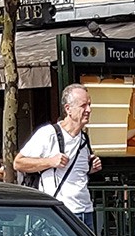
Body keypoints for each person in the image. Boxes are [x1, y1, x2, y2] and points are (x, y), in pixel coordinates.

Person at [12, 82, 102, 218]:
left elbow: (77, 172)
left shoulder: (84, 138)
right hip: (60, 212)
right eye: (83, 105)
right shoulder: (49, 133)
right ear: (68, 109)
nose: (89, 110)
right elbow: (18, 163)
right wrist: (50, 162)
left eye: (89, 104)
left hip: (86, 210)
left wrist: (91, 167)